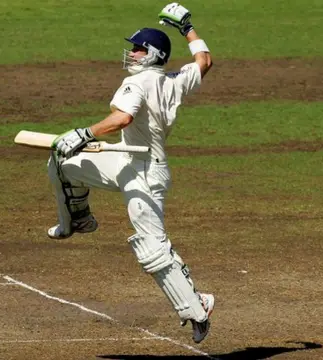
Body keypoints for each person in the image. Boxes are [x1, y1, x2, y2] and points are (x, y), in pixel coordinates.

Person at [46, 3, 215, 343]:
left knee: (151, 249)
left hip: (146, 174)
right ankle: (77, 221)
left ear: (152, 54)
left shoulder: (135, 84)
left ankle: (198, 306)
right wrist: (188, 28)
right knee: (62, 164)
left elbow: (121, 119)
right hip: (125, 161)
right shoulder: (176, 80)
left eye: (139, 48)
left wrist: (84, 134)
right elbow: (204, 62)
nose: (133, 53)